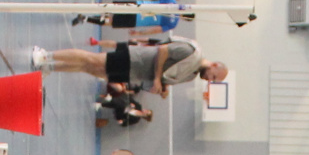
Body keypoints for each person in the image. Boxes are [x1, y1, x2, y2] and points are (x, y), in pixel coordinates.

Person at [30, 40, 226, 96]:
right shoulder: (191, 52)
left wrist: (161, 87)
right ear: (215, 65)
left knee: (89, 69)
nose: (210, 81)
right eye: (214, 77)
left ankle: (50, 67)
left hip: (135, 74)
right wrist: (157, 77)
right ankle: (46, 55)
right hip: (135, 59)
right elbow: (163, 50)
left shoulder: (191, 75)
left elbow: (165, 77)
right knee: (91, 59)